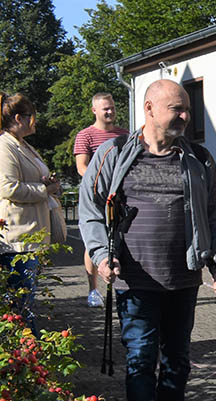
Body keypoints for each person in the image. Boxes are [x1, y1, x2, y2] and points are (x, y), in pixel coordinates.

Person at [79, 79, 216, 401]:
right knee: (142, 364)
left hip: (183, 280)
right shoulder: (114, 154)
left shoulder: (199, 158)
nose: (185, 116)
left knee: (177, 364)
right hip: (134, 282)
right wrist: (100, 254)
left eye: (186, 109)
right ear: (148, 109)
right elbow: (91, 208)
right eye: (176, 109)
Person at [0, 92, 62, 333]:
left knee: (25, 300)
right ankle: (27, 353)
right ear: (18, 118)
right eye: (31, 116)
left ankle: (28, 353)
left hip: (33, 234)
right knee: (20, 303)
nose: (35, 121)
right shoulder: (5, 147)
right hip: (18, 238)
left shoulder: (23, 145)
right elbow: (7, 187)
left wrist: (51, 185)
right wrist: (43, 189)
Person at [74, 92, 129, 308]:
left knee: (119, 239)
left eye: (112, 107)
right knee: (94, 240)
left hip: (120, 198)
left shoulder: (125, 134)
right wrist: (102, 185)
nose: (110, 111)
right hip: (97, 197)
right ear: (94, 110)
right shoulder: (85, 135)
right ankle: (93, 289)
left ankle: (119, 281)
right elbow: (82, 168)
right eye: (105, 108)